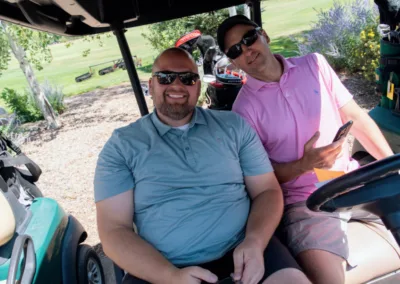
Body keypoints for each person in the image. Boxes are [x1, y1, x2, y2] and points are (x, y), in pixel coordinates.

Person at [94, 47, 311, 284]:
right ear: (151, 85)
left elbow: (267, 190)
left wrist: (255, 241)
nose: (177, 85)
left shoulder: (233, 127)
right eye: (166, 77)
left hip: (246, 250)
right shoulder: (122, 146)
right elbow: (114, 230)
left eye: (187, 78)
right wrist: (170, 276)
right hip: (162, 268)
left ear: (198, 85)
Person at [217, 15, 400, 284]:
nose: (246, 50)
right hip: (307, 202)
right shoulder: (243, 111)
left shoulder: (314, 64)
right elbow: (261, 179)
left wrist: (393, 167)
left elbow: (356, 118)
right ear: (233, 61)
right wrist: (304, 164)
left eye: (249, 39)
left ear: (263, 35)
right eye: (236, 50)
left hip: (353, 180)